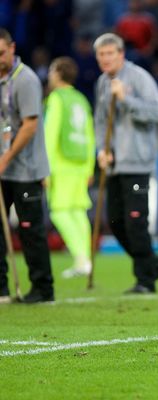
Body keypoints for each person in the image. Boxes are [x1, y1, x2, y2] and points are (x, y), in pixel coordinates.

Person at [93, 33, 158, 294]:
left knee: (136, 223)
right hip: (114, 164)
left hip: (138, 162)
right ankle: (154, 264)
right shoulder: (102, 83)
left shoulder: (139, 78)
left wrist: (127, 99)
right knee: (115, 223)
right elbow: (100, 122)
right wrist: (101, 150)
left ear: (121, 53)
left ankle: (145, 280)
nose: (105, 59)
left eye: (109, 54)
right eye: (101, 55)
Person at [0, 28, 54, 303]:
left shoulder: (26, 80)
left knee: (29, 228)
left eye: (1, 53)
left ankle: (43, 288)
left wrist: (5, 158)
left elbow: (30, 124)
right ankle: (1, 287)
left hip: (25, 169)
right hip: (2, 167)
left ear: (12, 47)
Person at [45, 56, 95, 279]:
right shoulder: (80, 99)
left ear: (57, 73)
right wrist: (89, 168)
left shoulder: (56, 99)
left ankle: (82, 259)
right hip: (80, 163)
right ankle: (84, 260)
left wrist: (45, 168)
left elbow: (50, 134)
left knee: (59, 212)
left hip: (61, 164)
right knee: (78, 212)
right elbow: (90, 136)